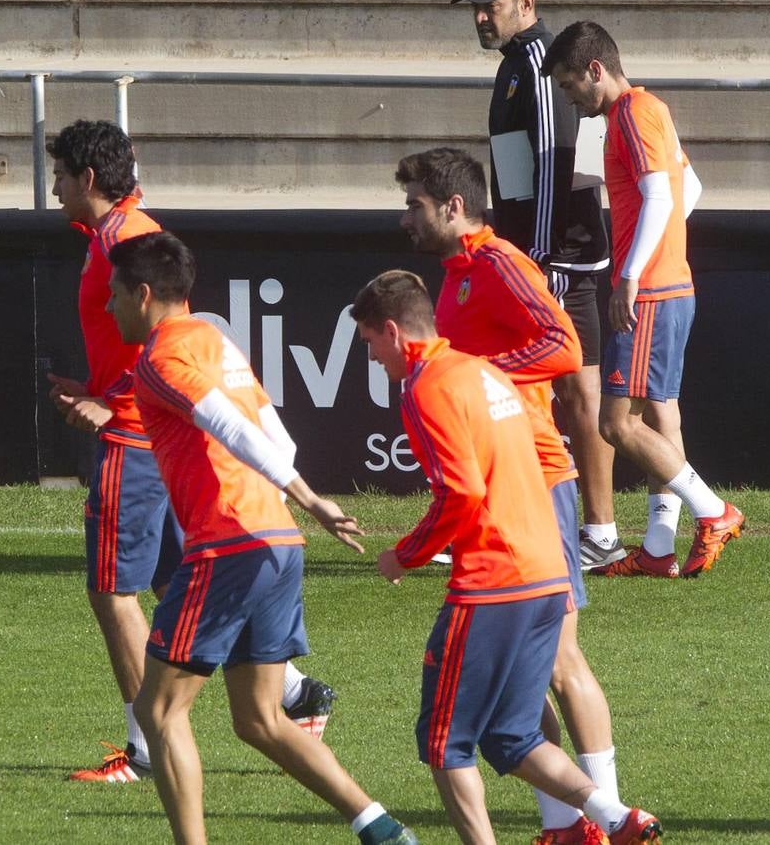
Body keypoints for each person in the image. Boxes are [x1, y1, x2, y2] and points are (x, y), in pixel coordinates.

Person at [44, 121, 335, 782]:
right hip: (137, 421)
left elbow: (163, 342)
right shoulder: (110, 234)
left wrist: (110, 399)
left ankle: (143, 747)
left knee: (112, 591)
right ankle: (294, 690)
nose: (54, 186)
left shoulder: (129, 238)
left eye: (59, 173)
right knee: (176, 580)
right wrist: (93, 386)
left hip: (134, 432)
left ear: (88, 178)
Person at [104, 232, 416, 845]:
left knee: (158, 710)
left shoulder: (161, 359)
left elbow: (226, 424)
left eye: (114, 295)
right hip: (276, 541)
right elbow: (275, 433)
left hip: (229, 546)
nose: (108, 307)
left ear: (143, 295)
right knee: (260, 718)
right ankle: (379, 827)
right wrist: (291, 498)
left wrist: (309, 497)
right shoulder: (213, 340)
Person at [353, 269, 661, 845]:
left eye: (369, 342)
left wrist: (407, 554)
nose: (371, 357)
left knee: (444, 743)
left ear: (393, 332)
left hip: (494, 584)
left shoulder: (426, 388)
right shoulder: (485, 374)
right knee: (511, 739)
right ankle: (618, 819)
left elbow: (461, 493)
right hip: (546, 575)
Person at [394, 147, 625, 845]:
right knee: (529, 682)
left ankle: (605, 813)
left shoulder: (498, 265)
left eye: (414, 205)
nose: (406, 217)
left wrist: (479, 370)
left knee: (559, 660)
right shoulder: (458, 276)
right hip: (510, 480)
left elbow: (563, 343)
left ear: (454, 209)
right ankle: (566, 822)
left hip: (541, 477)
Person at [542, 22, 746, 578]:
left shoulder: (631, 113)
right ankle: (658, 548)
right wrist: (656, 248)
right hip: (672, 284)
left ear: (594, 71)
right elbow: (689, 188)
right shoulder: (646, 111)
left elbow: (660, 192)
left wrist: (632, 271)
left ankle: (715, 511)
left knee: (616, 425)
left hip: (651, 291)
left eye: (569, 85)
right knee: (660, 414)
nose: (569, 97)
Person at [451, 0, 623, 571]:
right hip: (554, 251)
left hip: (557, 256)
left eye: (490, 5)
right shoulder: (514, 65)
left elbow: (553, 160)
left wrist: (540, 256)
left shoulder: (536, 62)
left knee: (563, 391)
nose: (480, 16)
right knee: (571, 392)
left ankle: (588, 532)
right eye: (476, 6)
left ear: (526, 4)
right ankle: (588, 532)